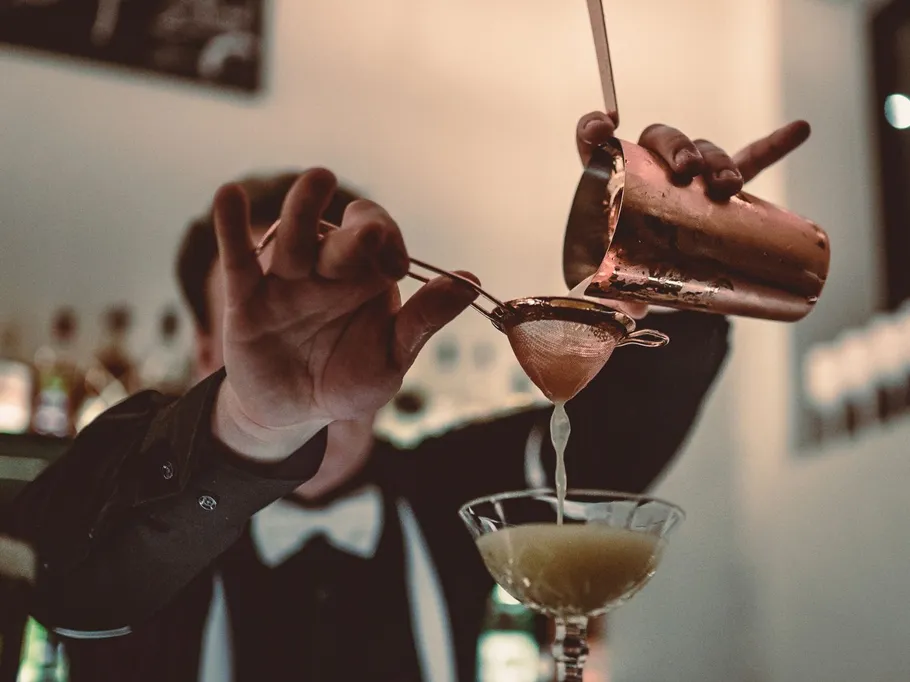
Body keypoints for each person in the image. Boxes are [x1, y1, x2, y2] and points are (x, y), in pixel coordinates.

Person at [8, 111, 810, 682]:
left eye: (339, 308)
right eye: (269, 314)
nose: (309, 337)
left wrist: (673, 266)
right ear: (209, 350)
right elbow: (63, 583)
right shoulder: (125, 519)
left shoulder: (451, 490)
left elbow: (614, 439)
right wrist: (251, 422)